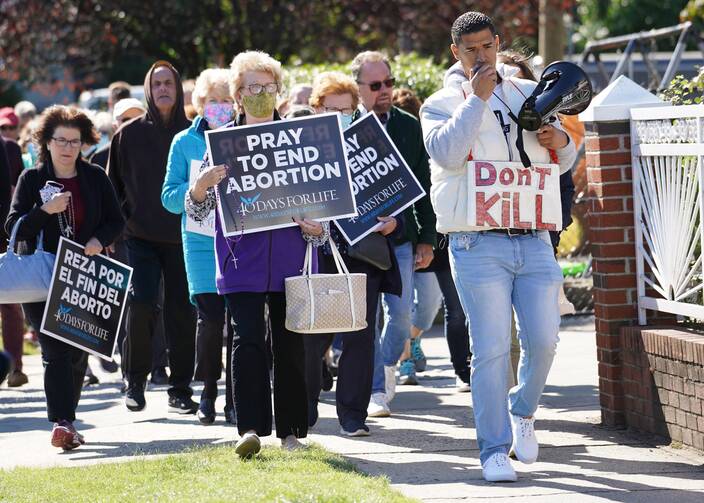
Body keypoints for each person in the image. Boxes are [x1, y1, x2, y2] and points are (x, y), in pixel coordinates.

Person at [420, 12, 576, 482]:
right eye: (471, 50)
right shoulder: (442, 102)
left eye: (487, 46)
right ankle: (492, 449)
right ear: (456, 53)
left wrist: (560, 139)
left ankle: (522, 410)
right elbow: (445, 154)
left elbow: (562, 159)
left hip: (533, 237)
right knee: (488, 349)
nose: (481, 56)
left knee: (546, 339)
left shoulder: (527, 93)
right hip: (475, 241)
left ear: (497, 43)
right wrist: (477, 101)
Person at [186, 50, 326, 458]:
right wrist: (200, 187)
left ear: (279, 92)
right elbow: (197, 210)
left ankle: (292, 431)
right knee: (245, 341)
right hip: (239, 260)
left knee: (289, 344)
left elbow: (323, 205)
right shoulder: (221, 143)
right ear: (238, 95)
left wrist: (318, 230)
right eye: (252, 87)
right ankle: (248, 428)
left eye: (268, 87)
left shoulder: (299, 139)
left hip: (291, 259)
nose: (261, 93)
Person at [5, 105, 123, 450]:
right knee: (55, 349)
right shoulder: (32, 180)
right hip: (41, 276)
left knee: (77, 349)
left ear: (83, 143)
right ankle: (62, 421)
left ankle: (67, 419)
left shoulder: (95, 177)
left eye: (75, 141)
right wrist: (45, 211)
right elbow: (14, 227)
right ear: (47, 142)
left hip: (83, 273)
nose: (69, 148)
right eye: (61, 140)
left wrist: (99, 240)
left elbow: (116, 220)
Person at [305, 71, 402, 435]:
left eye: (346, 110)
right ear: (316, 110)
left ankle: (352, 416)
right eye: (331, 109)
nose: (339, 116)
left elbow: (398, 201)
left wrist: (394, 223)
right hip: (318, 259)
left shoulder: (373, 145)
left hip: (364, 260)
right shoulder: (300, 153)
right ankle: (305, 407)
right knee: (313, 338)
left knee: (360, 340)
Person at [107, 60, 197, 414]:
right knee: (142, 304)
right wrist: (116, 229)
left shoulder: (193, 135)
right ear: (147, 89)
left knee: (182, 313)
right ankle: (135, 382)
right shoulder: (127, 134)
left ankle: (180, 388)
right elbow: (111, 188)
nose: (162, 89)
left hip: (184, 237)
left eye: (168, 84)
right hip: (139, 237)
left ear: (178, 89)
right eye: (156, 83)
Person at [350, 51, 436, 418]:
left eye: (388, 83)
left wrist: (426, 238)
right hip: (360, 243)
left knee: (400, 317)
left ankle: (386, 366)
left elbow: (423, 182)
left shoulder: (406, 124)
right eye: (375, 85)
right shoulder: (344, 128)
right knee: (366, 320)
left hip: (400, 238)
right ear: (358, 88)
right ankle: (375, 390)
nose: (384, 90)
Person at [162, 68, 236, 425]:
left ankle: (236, 397)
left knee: (240, 322)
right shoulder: (183, 142)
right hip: (201, 242)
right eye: (212, 101)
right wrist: (198, 187)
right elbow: (168, 198)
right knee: (210, 322)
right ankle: (208, 389)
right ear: (200, 104)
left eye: (226, 100)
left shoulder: (245, 136)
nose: (220, 107)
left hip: (242, 243)